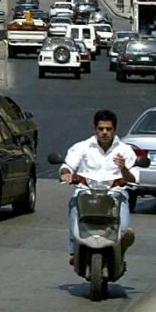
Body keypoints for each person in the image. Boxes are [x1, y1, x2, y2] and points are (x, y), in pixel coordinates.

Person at [59, 108, 138, 262]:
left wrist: (123, 169)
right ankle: (74, 251)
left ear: (114, 130)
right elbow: (67, 165)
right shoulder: (83, 147)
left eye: (108, 129)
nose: (104, 132)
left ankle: (120, 248)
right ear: (95, 129)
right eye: (101, 129)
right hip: (86, 193)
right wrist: (66, 173)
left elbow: (133, 178)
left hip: (115, 194)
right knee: (75, 208)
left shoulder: (125, 150)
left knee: (125, 231)